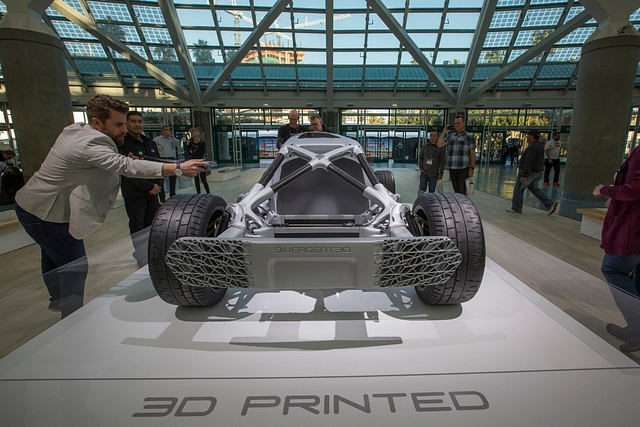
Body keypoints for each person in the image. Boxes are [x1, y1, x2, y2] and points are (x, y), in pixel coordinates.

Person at [13, 94, 207, 318]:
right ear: (96, 123)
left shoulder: (79, 132)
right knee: (75, 267)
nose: (124, 129)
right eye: (118, 124)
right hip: (43, 211)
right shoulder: (91, 142)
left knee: (53, 257)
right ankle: (71, 318)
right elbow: (123, 165)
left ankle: (57, 299)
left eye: (125, 123)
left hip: (34, 205)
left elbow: (118, 160)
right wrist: (178, 168)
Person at [593, 145, 640, 353]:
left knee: (613, 269)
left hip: (635, 227)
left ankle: (637, 330)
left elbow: (633, 190)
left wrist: (604, 190)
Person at [118, 112, 163, 240]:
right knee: (138, 227)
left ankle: (152, 255)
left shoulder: (150, 143)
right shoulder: (122, 144)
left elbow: (158, 165)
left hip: (153, 192)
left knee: (154, 225)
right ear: (126, 123)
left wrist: (157, 186)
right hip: (135, 194)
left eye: (139, 121)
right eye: (133, 121)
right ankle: (140, 259)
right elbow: (125, 170)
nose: (137, 124)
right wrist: (148, 186)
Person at [506, 130, 558, 215]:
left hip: (530, 172)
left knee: (518, 189)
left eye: (528, 136)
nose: (526, 137)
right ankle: (550, 204)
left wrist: (524, 175)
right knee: (534, 189)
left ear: (532, 136)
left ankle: (516, 208)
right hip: (537, 172)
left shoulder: (532, 147)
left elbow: (529, 161)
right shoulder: (540, 145)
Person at [438, 115, 476, 194]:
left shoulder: (469, 136)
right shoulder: (451, 137)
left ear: (464, 123)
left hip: (463, 167)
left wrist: (472, 168)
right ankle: (458, 204)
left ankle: (463, 205)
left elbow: (472, 153)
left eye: (459, 123)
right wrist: (444, 132)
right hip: (452, 167)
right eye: (455, 123)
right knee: (456, 189)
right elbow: (439, 144)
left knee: (462, 189)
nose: (457, 125)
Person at [153, 125, 181, 201]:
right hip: (162, 159)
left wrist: (172, 137)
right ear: (162, 131)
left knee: (173, 178)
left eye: (169, 130)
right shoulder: (157, 139)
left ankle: (172, 194)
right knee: (161, 179)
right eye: (166, 130)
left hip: (172, 159)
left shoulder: (172, 139)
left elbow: (178, 144)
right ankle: (162, 197)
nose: (167, 132)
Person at [418, 130, 446, 195]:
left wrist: (441, 173)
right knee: (421, 189)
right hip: (424, 172)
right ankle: (419, 201)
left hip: (434, 173)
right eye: (431, 136)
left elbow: (443, 161)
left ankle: (432, 203)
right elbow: (420, 157)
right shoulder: (425, 147)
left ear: (438, 137)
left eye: (434, 136)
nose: (432, 137)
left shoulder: (441, 148)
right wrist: (421, 167)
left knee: (432, 191)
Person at [186, 128, 210, 194]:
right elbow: (189, 153)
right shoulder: (190, 143)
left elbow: (201, 152)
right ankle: (198, 193)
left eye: (194, 133)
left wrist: (193, 152)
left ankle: (208, 192)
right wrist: (188, 146)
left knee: (203, 179)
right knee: (196, 179)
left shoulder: (202, 143)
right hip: (193, 161)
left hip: (200, 161)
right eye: (192, 133)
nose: (193, 134)